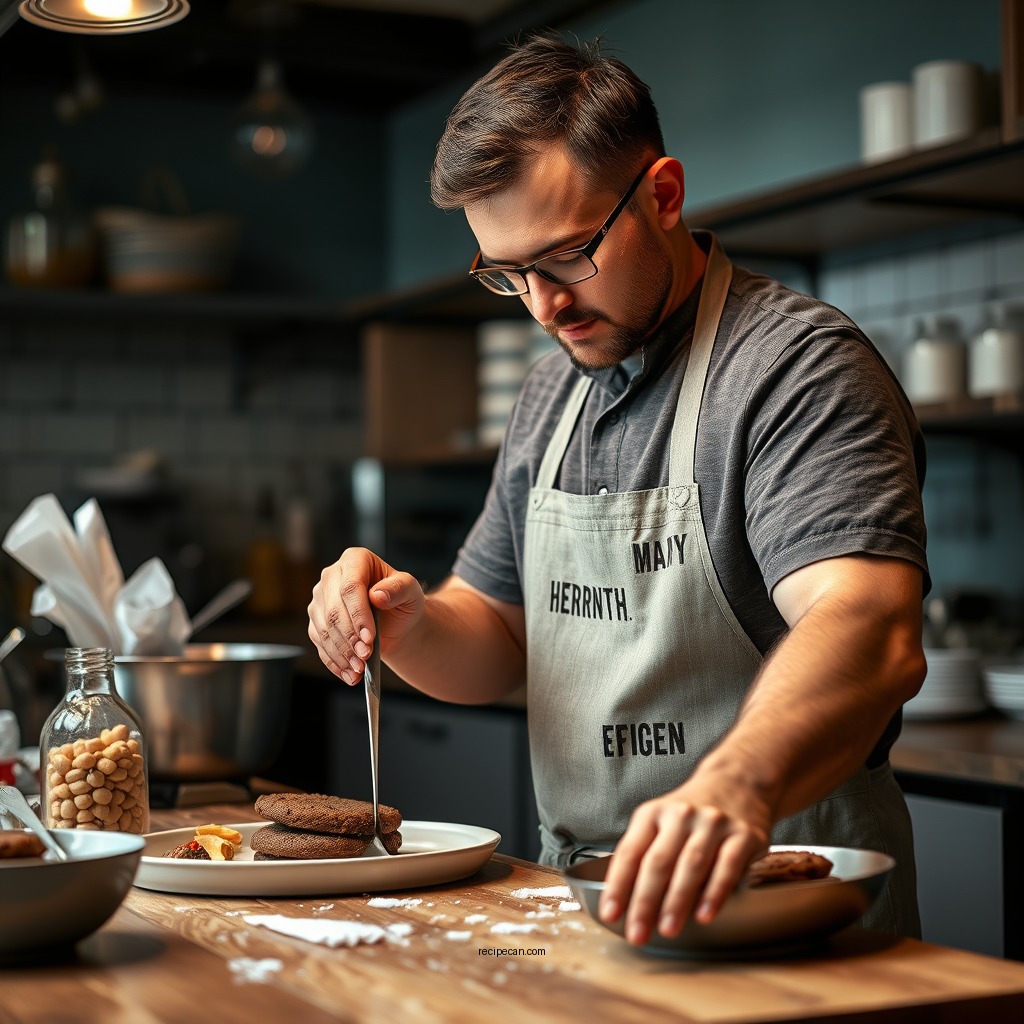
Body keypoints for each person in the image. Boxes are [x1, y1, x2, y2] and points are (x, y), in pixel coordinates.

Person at [308, 34, 929, 946]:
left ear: (663, 196)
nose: (543, 305)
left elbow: (868, 626)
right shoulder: (550, 393)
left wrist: (735, 785)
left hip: (789, 904)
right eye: (508, 274)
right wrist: (410, 623)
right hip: (583, 906)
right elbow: (499, 636)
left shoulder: (795, 369)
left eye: (567, 256)